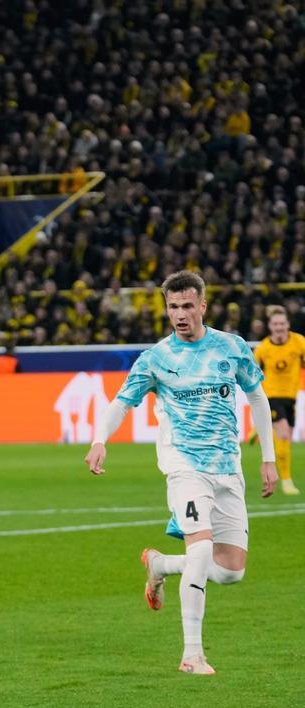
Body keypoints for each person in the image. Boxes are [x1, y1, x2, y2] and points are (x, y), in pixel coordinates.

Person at [84, 271, 277, 675]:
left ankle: (159, 566)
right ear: (166, 309)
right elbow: (121, 402)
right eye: (173, 307)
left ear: (203, 305)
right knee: (201, 550)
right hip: (184, 468)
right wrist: (100, 439)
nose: (181, 314)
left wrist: (269, 458)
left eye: (188, 306)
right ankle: (192, 654)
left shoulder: (231, 347)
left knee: (230, 572)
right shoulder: (157, 358)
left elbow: (257, 397)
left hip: (228, 468)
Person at [252, 305, 305, 495]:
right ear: (270, 326)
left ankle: (257, 431)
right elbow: (252, 377)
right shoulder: (262, 349)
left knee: (286, 438)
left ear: (288, 324)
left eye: (282, 323)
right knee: (283, 434)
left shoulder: (299, 342)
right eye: (276, 324)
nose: (279, 327)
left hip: (291, 398)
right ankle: (286, 480)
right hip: (271, 397)